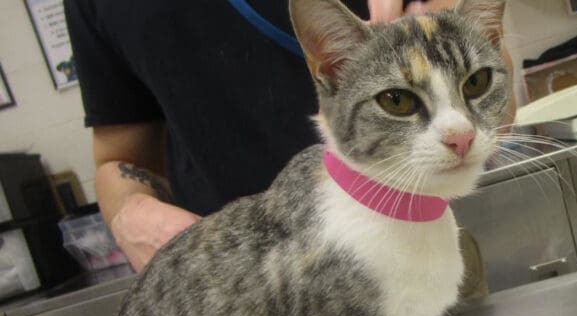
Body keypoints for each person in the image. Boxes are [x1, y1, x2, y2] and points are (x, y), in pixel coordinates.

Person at [65, 0, 512, 275]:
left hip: (433, 239)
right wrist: (131, 215)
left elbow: (495, 94)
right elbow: (117, 159)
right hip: (242, 283)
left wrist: (459, 38)